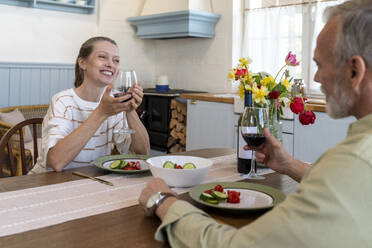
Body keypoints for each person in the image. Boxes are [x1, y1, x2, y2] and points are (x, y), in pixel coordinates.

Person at [138, 0, 372, 247]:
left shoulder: (356, 159)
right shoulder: (354, 163)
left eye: (319, 65)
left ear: (354, 71)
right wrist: (289, 164)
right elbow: (341, 183)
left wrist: (164, 202)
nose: (315, 78)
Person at [31, 36, 150, 173]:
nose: (111, 64)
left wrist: (130, 109)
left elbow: (143, 154)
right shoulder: (63, 101)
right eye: (102, 57)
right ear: (83, 63)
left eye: (116, 60)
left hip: (90, 180)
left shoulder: (115, 102)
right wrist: (101, 112)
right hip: (47, 182)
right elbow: (56, 162)